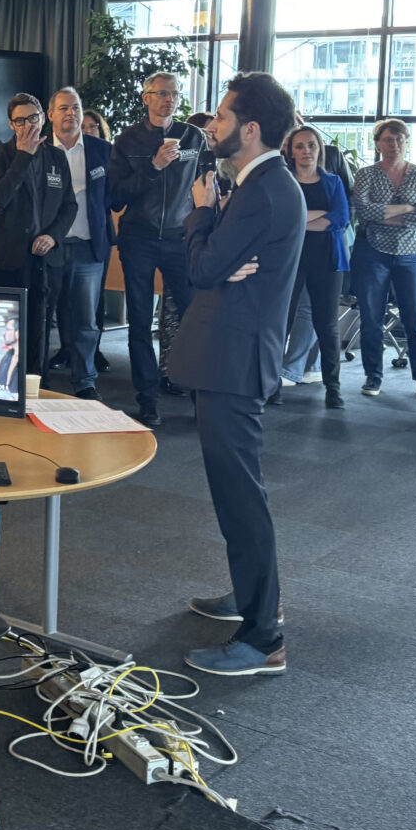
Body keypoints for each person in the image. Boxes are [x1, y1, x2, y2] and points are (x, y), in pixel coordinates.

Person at [167, 72, 303, 678]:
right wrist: (218, 237)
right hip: (229, 354)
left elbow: (201, 268)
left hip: (235, 359)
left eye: (221, 117)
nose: (212, 125)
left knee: (242, 498)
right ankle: (254, 599)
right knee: (235, 493)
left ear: (249, 129)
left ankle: (264, 637)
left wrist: (201, 215)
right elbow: (218, 265)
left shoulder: (264, 190)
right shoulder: (256, 185)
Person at [108, 72, 206, 426]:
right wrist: (154, 166)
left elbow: (207, 183)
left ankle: (200, 394)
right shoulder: (127, 140)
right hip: (139, 238)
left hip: (181, 238)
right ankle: (147, 398)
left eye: (174, 93)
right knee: (138, 320)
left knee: (193, 317)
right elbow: (116, 197)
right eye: (162, 93)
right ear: (146, 98)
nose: (169, 99)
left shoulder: (193, 136)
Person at [349, 119, 416, 402]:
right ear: (378, 143)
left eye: (400, 139)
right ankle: (373, 375)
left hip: (413, 254)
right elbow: (362, 210)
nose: (394, 144)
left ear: (407, 141)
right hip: (372, 252)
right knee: (371, 318)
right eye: (388, 139)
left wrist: (386, 214)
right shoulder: (366, 174)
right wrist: (406, 209)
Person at [0, 93, 77, 377]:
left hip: (47, 257)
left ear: (42, 118)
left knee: (41, 327)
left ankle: (40, 385)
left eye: (33, 118)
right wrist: (23, 156)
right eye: (20, 120)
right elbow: (0, 197)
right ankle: (8, 384)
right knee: (10, 331)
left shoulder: (56, 156)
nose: (28, 125)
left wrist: (53, 236)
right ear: (11, 124)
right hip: (10, 257)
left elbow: (70, 205)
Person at [46, 88, 112, 400]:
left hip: (88, 247)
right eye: (63, 108)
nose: (71, 113)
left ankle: (85, 381)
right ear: (51, 115)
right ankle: (38, 379)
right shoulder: (40, 149)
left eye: (75, 107)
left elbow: (113, 194)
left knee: (87, 320)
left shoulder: (102, 150)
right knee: (43, 317)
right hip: (49, 248)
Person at [280, 124, 351, 410]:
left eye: (311, 145)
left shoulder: (333, 182)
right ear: (291, 151)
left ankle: (333, 388)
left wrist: (299, 222)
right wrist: (318, 216)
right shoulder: (284, 182)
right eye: (300, 146)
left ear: (319, 149)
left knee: (327, 325)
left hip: (327, 261)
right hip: (291, 261)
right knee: (282, 323)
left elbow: (340, 219)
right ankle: (270, 384)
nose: (306, 151)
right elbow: (280, 219)